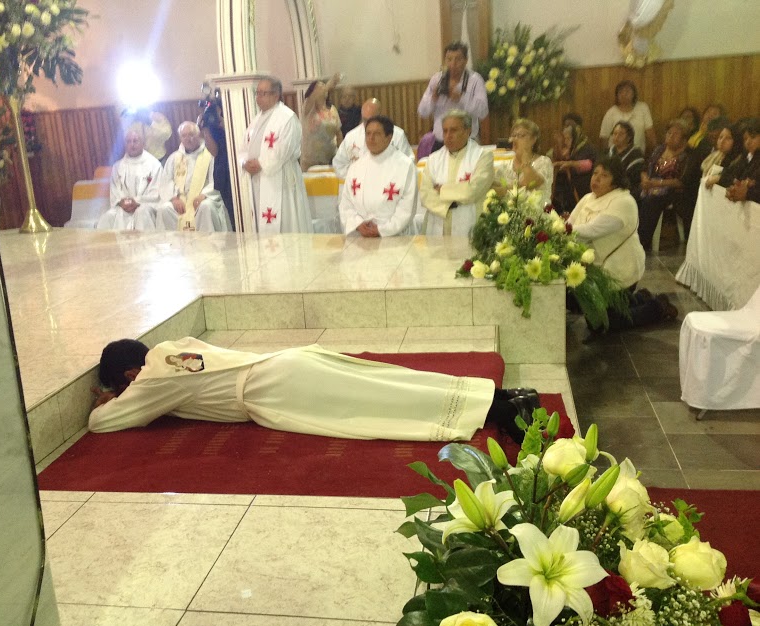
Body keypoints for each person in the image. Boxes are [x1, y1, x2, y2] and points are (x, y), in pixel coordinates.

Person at [88, 337, 542, 444]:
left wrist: (113, 400)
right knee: (386, 380)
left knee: (380, 402)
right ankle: (502, 397)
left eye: (122, 384)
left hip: (271, 391)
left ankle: (500, 413)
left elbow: (101, 423)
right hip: (284, 362)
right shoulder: (173, 348)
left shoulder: (150, 380)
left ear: (129, 374)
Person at [568, 156, 677, 330]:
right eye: (595, 173)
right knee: (572, 299)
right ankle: (639, 299)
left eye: (604, 175)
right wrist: (561, 228)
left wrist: (560, 230)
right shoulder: (588, 198)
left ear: (615, 181)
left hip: (619, 270)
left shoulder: (623, 202)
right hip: (595, 270)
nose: (596, 178)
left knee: (602, 324)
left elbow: (592, 230)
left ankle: (657, 307)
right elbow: (571, 223)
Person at [240, 76, 311, 234]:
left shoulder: (287, 118)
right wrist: (244, 163)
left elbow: (284, 150)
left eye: (263, 93)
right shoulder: (256, 120)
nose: (258, 97)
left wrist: (260, 163)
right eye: (257, 93)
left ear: (276, 94)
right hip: (258, 180)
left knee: (286, 224)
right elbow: (243, 148)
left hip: (280, 180)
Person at [339, 115, 418, 237]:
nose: (371, 138)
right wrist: (357, 224)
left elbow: (407, 206)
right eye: (368, 134)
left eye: (377, 134)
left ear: (389, 137)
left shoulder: (405, 166)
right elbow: (346, 202)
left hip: (395, 236)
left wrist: (383, 229)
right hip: (362, 235)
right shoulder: (356, 166)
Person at [420, 110, 494, 237]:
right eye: (445, 131)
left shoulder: (482, 156)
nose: (448, 136)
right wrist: (450, 204)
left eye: (453, 130)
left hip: (470, 225)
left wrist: (442, 190)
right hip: (437, 225)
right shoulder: (433, 159)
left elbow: (473, 191)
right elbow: (425, 193)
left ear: (468, 131)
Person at [157, 121, 230, 232]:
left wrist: (204, 195)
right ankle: (175, 242)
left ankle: (207, 242)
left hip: (202, 198)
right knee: (165, 209)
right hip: (180, 201)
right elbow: (166, 181)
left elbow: (215, 180)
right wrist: (174, 198)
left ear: (199, 134)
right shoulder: (174, 158)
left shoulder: (209, 154)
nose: (188, 139)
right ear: (180, 138)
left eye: (191, 134)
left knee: (205, 207)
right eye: (184, 136)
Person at [418, 41, 489, 148]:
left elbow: (483, 112)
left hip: (468, 140)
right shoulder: (436, 79)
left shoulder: (475, 80)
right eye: (449, 59)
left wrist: (461, 98)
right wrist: (433, 98)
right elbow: (422, 112)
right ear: (445, 60)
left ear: (466, 60)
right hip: (441, 140)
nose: (453, 64)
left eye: (458, 59)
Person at [96, 123, 162, 231]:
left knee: (141, 213)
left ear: (143, 143)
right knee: (107, 218)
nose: (132, 144)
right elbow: (115, 191)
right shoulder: (118, 166)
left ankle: (145, 242)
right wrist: (121, 202)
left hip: (145, 206)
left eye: (135, 141)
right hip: (123, 207)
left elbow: (155, 192)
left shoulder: (154, 165)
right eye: (128, 141)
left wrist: (137, 201)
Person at [637, 119, 690, 249]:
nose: (671, 136)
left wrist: (657, 183)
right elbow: (644, 168)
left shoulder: (687, 155)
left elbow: (681, 181)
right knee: (631, 195)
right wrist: (645, 179)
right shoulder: (659, 150)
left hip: (671, 191)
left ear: (684, 139)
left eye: (675, 134)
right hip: (650, 185)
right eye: (669, 133)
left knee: (650, 201)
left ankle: (642, 242)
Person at [332, 98, 414, 179]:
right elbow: (339, 164)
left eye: (372, 120)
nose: (368, 124)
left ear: (380, 115)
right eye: (365, 120)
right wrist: (357, 175)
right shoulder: (351, 137)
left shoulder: (397, 135)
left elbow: (409, 163)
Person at [493, 118, 553, 205]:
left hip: (538, 211)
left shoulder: (544, 162)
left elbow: (531, 183)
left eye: (521, 135)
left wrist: (524, 157)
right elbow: (493, 189)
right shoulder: (505, 165)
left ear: (533, 140)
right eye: (514, 135)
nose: (515, 139)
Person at [198, 93, 235, 227]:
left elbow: (236, 140)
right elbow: (214, 151)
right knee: (230, 213)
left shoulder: (233, 117)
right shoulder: (211, 122)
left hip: (235, 166)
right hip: (222, 170)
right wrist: (205, 129)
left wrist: (223, 123)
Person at [550, 122, 596, 215]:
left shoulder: (586, 148)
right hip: (571, 190)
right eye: (565, 138)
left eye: (568, 138)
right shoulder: (573, 149)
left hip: (583, 187)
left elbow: (589, 165)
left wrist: (571, 164)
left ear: (575, 137)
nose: (566, 142)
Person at [599, 80, 657, 153]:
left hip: (637, 154)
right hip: (616, 156)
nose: (624, 94)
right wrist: (607, 156)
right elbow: (604, 137)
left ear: (633, 94)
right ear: (617, 95)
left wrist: (655, 153)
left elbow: (650, 133)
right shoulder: (611, 113)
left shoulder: (643, 108)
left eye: (627, 91)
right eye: (620, 92)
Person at [300, 75, 344, 171]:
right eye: (319, 88)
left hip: (330, 158)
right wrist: (328, 86)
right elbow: (313, 98)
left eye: (323, 86)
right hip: (311, 161)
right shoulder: (308, 108)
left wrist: (341, 152)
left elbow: (338, 132)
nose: (323, 89)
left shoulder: (332, 109)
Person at [717, 118, 760, 204]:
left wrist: (747, 193)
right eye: (745, 139)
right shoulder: (745, 157)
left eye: (753, 137)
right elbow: (727, 173)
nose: (748, 142)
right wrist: (735, 187)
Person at [607, 121, 645, 203]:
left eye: (621, 134)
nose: (616, 137)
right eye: (614, 133)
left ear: (629, 137)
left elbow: (632, 180)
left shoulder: (636, 155)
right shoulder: (609, 152)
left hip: (628, 192)